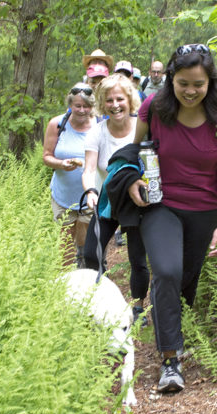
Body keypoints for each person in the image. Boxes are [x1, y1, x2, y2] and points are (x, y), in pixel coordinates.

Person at [129, 43, 217, 393]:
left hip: (204, 211)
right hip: (160, 204)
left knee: (185, 283)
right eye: (183, 83)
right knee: (166, 271)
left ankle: (170, 327)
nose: (190, 91)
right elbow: (134, 155)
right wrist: (133, 180)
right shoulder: (154, 108)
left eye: (198, 84)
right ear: (170, 81)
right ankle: (170, 361)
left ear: (210, 82)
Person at [81, 73, 150, 322]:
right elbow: (89, 169)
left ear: (129, 99)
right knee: (91, 253)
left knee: (137, 259)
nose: (115, 105)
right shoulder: (97, 132)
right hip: (107, 200)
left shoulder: (141, 128)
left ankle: (138, 308)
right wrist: (90, 191)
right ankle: (104, 299)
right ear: (102, 103)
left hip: (137, 202)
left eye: (119, 98)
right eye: (108, 100)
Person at [43, 82, 96, 266]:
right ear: (70, 104)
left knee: (85, 232)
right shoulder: (57, 124)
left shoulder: (99, 126)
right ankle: (65, 279)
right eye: (78, 106)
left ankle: (83, 260)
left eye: (87, 106)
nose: (82, 110)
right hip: (63, 194)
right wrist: (61, 164)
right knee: (65, 238)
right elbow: (46, 156)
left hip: (89, 193)